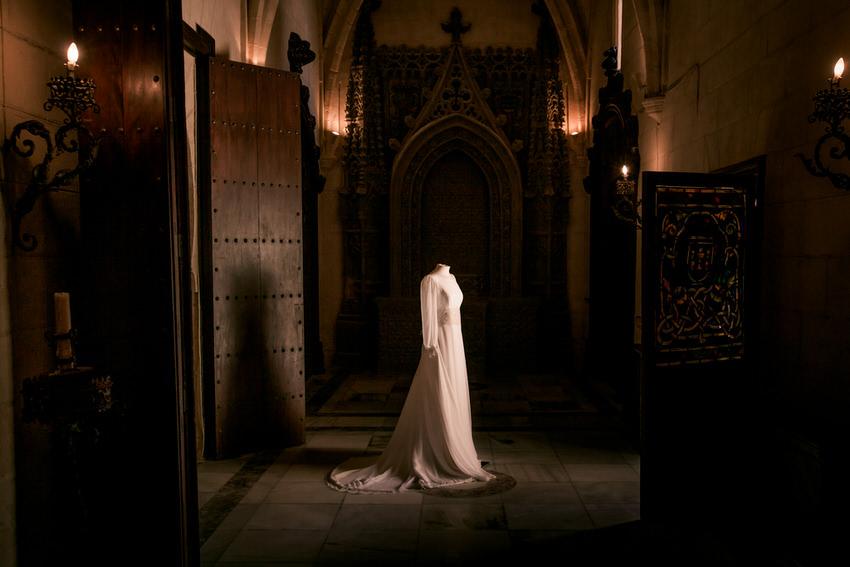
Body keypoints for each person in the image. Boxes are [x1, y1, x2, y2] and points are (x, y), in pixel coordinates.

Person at [327, 263, 494, 492]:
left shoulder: (452, 278)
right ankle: (434, 451)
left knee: (455, 393)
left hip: (456, 341)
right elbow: (428, 317)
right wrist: (431, 345)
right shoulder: (430, 281)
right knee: (439, 393)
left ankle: (454, 448)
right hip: (440, 344)